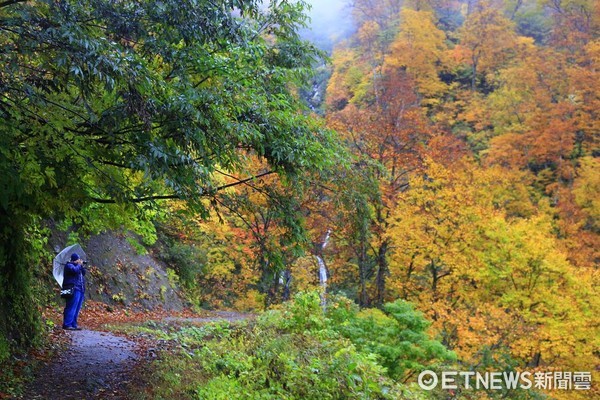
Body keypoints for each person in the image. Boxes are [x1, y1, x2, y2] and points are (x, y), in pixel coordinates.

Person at [62, 253, 86, 330]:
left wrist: (81, 266)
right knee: (71, 307)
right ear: (75, 259)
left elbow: (84, 273)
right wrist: (79, 265)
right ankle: (67, 324)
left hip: (80, 289)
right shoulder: (69, 265)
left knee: (77, 308)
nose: (79, 261)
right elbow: (74, 271)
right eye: (78, 259)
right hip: (73, 288)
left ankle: (74, 324)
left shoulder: (78, 266)